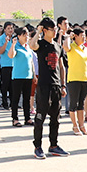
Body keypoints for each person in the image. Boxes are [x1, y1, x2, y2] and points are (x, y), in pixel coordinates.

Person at [29, 18, 69, 159]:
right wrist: (38, 31)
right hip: (44, 86)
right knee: (40, 117)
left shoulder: (58, 46)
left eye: (55, 29)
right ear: (45, 30)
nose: (55, 32)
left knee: (55, 118)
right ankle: (38, 146)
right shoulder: (40, 44)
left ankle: (53, 145)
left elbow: (61, 66)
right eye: (52, 29)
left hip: (56, 86)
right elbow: (31, 45)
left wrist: (63, 84)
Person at [64, 28, 87, 136]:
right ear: (75, 36)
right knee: (73, 104)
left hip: (84, 78)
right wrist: (68, 37)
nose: (84, 38)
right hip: (74, 79)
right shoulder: (71, 46)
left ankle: (82, 126)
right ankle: (75, 126)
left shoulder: (84, 48)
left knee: (81, 103)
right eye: (82, 35)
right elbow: (65, 47)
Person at [8, 27, 34, 127]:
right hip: (18, 76)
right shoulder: (16, 46)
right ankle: (15, 118)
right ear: (18, 36)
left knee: (27, 99)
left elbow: (31, 62)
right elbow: (11, 55)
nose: (26, 37)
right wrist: (13, 44)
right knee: (16, 98)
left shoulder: (28, 47)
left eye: (27, 35)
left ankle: (27, 118)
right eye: (24, 35)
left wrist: (33, 74)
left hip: (28, 76)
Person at [0, 22, 15, 110]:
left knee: (13, 85)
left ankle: (13, 103)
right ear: (4, 30)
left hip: (14, 64)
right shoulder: (1, 38)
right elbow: (0, 51)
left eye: (11, 28)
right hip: (5, 65)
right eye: (8, 28)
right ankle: (4, 102)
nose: (10, 30)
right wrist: (6, 43)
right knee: (5, 84)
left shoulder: (15, 38)